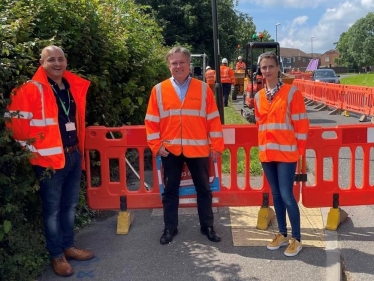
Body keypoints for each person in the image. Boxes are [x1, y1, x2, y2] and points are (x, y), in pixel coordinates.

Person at [5, 45, 93, 277]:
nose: (57, 63)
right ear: (41, 63)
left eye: (61, 59)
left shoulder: (71, 85)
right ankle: (57, 256)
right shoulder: (29, 89)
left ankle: (69, 246)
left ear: (66, 61)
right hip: (49, 161)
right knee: (52, 211)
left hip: (73, 154)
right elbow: (13, 124)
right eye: (51, 59)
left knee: (70, 206)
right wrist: (34, 152)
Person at [144, 46, 224, 245]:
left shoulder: (203, 88)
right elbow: (151, 121)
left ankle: (207, 226)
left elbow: (213, 119)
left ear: (189, 64)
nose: (178, 66)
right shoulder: (159, 90)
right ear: (169, 65)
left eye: (182, 62)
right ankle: (169, 227)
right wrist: (156, 145)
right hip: (170, 150)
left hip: (198, 149)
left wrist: (216, 145)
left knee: (204, 190)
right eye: (174, 63)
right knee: (170, 191)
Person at [253, 52, 309, 257]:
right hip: (267, 153)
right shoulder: (259, 96)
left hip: (286, 154)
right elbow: (260, 124)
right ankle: (282, 233)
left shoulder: (292, 93)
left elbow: (302, 125)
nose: (266, 71)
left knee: (286, 195)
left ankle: (297, 238)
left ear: (278, 68)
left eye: (270, 67)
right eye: (263, 67)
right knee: (276, 194)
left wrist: (299, 152)